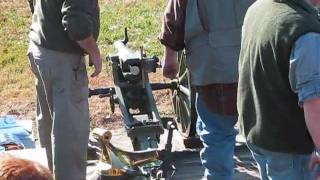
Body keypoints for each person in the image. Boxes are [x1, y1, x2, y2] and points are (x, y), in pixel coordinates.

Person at [159, 0, 254, 179]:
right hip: (256, 65)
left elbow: (174, 18)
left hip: (213, 68)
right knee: (264, 137)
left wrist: (169, 57)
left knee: (217, 136)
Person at [238, 0, 320, 179]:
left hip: (259, 135)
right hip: (291, 149)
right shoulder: (305, 32)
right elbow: (314, 103)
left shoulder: (257, 8)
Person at [27, 0, 102, 179]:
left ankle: (47, 175)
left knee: (50, 124)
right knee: (70, 134)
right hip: (62, 60)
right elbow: (75, 22)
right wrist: (94, 52)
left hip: (41, 46)